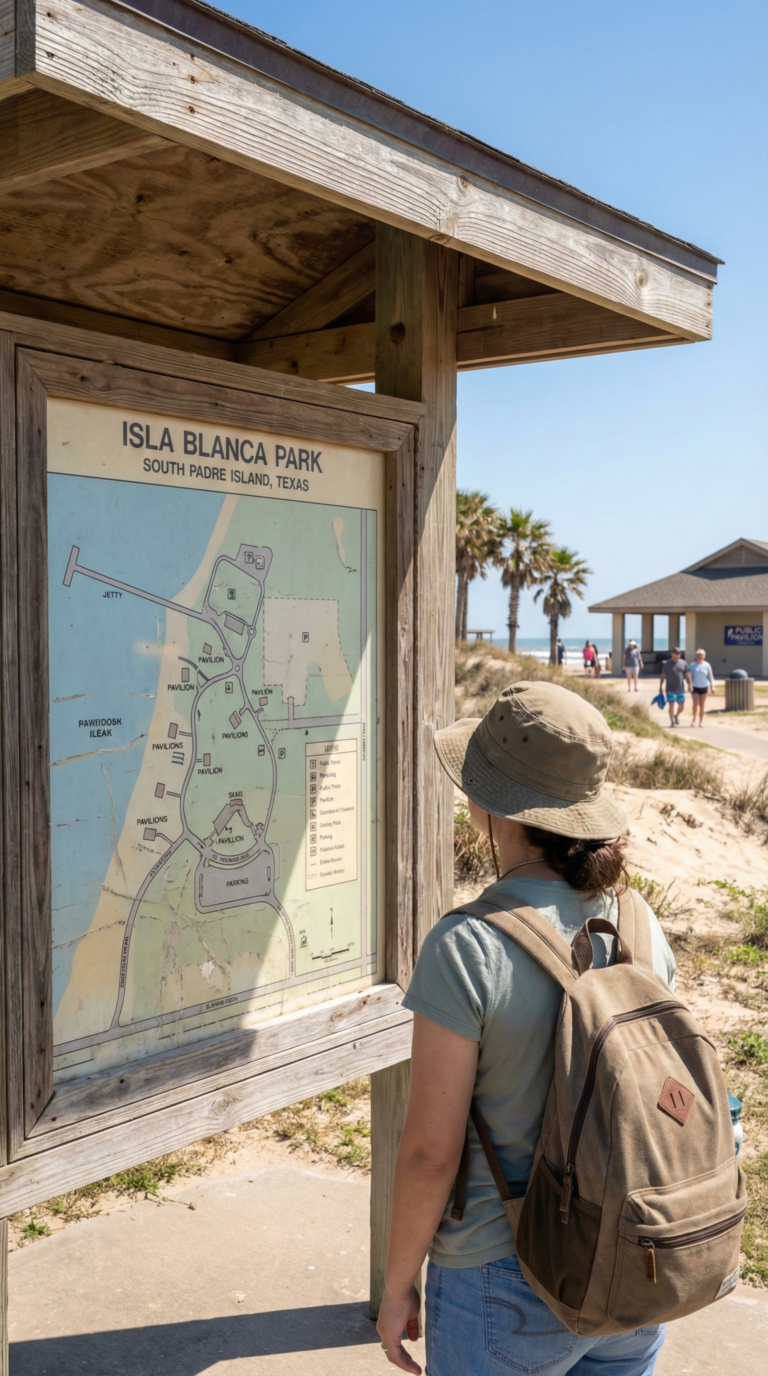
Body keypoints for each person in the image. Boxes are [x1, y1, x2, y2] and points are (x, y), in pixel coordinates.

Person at [376, 680, 675, 1376]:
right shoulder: (638, 922)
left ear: (489, 804)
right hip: (634, 1266)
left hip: (500, 1278)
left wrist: (396, 1287)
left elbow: (429, 1154)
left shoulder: (466, 946)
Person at [659, 646, 691, 727]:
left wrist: (690, 684)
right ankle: (672, 722)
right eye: (675, 654)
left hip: (680, 688)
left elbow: (687, 675)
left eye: (679, 654)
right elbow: (663, 675)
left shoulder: (683, 663)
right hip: (670, 688)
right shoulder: (667, 664)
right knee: (671, 705)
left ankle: (676, 715)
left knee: (681, 706)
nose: (677, 655)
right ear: (672, 654)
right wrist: (660, 686)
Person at [690, 648, 715, 726]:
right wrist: (689, 684)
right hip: (695, 687)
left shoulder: (707, 665)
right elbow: (689, 676)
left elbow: (710, 676)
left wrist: (712, 686)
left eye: (701, 656)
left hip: (704, 686)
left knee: (702, 705)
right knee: (695, 704)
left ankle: (701, 721)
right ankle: (694, 719)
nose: (699, 657)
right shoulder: (692, 665)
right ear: (696, 656)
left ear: (704, 656)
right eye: (698, 656)